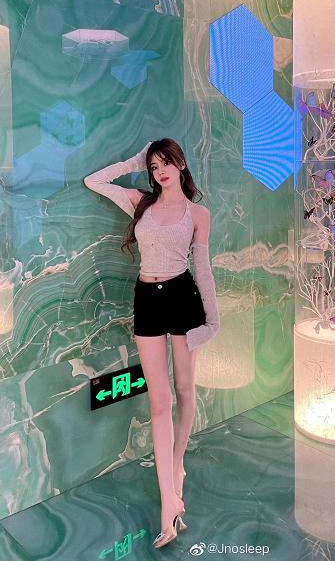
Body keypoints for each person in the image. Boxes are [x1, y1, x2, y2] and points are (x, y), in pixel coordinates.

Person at [84, 138, 220, 549]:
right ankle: (169, 501)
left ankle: (176, 465)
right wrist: (133, 160)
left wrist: (213, 320)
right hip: (146, 300)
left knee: (184, 391)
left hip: (183, 298)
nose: (160, 171)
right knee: (159, 403)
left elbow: (203, 270)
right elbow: (94, 181)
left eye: (166, 163)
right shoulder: (140, 203)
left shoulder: (198, 214)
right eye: (154, 165)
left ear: (181, 164)